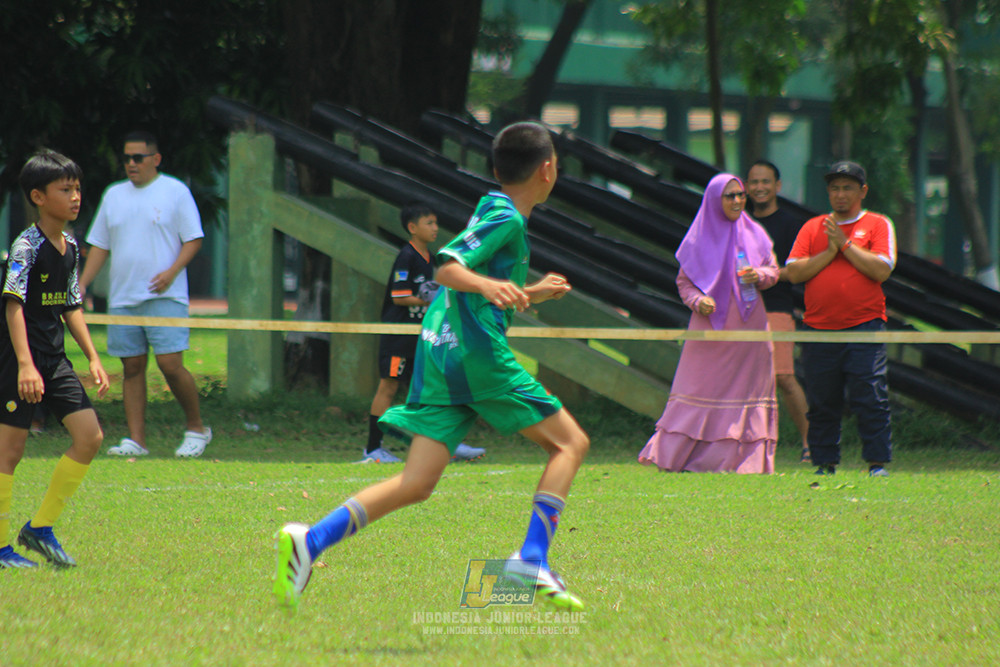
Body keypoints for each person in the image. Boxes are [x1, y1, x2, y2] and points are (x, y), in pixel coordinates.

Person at [274, 122, 588, 611]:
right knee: (571, 443)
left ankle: (310, 542)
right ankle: (531, 558)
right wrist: (487, 286)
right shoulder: (507, 216)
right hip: (474, 356)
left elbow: (477, 291)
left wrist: (527, 293)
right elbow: (446, 268)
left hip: (442, 353)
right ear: (548, 169)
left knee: (416, 483)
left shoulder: (495, 208)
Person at [0, 149, 110, 569]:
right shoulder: (26, 245)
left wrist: (93, 357)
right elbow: (12, 306)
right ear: (38, 196)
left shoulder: (72, 247)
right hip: (19, 360)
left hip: (54, 357)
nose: (76, 197)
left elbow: (70, 304)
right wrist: (25, 365)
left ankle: (40, 528)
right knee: (9, 452)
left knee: (90, 437)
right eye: (65, 190)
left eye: (78, 188)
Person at [80, 131, 211, 458]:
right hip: (123, 297)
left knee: (170, 364)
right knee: (132, 367)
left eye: (137, 158)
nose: (131, 164)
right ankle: (136, 440)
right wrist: (82, 284)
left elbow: (193, 238)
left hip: (165, 295)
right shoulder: (114, 195)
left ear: (156, 159)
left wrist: (171, 273)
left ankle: (197, 428)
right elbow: (100, 245)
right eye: (126, 158)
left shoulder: (175, 191)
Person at [639, 173, 779, 473]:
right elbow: (684, 284)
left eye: (741, 195)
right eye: (730, 196)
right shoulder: (697, 237)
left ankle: (743, 462)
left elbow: (773, 270)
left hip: (751, 327)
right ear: (714, 200)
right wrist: (698, 301)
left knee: (747, 392)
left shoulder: (756, 232)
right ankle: (680, 458)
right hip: (710, 328)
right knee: (698, 386)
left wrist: (761, 275)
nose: (738, 201)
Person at [785, 161, 895, 477]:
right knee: (822, 399)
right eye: (834, 188)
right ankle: (824, 463)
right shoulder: (812, 227)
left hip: (865, 325)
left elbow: (881, 269)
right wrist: (828, 252)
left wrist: (845, 245)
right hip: (819, 328)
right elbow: (793, 272)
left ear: (863, 191)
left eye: (847, 187)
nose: (840, 194)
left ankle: (877, 463)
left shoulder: (877, 224)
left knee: (869, 395)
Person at [362, 203, 486, 464]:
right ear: (412, 227)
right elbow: (399, 296)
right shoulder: (406, 256)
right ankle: (373, 448)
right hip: (398, 334)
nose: (435, 228)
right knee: (388, 385)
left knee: (433, 387)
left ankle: (447, 445)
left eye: (435, 223)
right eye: (429, 223)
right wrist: (431, 299)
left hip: (420, 335)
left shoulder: (430, 258)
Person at [746, 160, 811, 463]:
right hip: (740, 312)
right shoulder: (739, 222)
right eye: (754, 182)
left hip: (777, 309)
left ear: (778, 186)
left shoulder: (790, 224)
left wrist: (764, 275)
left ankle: (811, 444)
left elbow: (799, 271)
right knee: (742, 381)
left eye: (766, 182)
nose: (759, 187)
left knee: (784, 377)